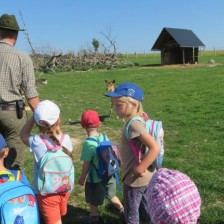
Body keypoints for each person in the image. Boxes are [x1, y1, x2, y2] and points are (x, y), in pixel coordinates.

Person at [105, 82, 160, 224]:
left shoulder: (134, 124)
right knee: (146, 209)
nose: (115, 108)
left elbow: (154, 148)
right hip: (147, 177)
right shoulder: (139, 118)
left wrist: (139, 168)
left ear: (133, 104)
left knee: (131, 213)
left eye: (118, 105)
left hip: (135, 178)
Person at [20, 100, 74, 224]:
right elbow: (57, 135)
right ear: (58, 120)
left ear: (38, 123)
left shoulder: (36, 142)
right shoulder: (66, 139)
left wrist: (34, 117)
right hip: (65, 188)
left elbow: (23, 134)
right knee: (60, 214)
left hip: (46, 194)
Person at [0, 14, 39, 170]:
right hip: (12, 115)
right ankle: (12, 191)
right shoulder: (22, 58)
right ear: (16, 35)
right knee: (14, 163)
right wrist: (45, 121)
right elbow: (31, 94)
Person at [78, 110, 124, 224]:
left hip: (96, 178)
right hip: (109, 174)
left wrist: (82, 177)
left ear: (82, 125)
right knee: (111, 195)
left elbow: (86, 163)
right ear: (99, 124)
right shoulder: (104, 137)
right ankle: (123, 211)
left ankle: (94, 218)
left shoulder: (88, 144)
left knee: (93, 200)